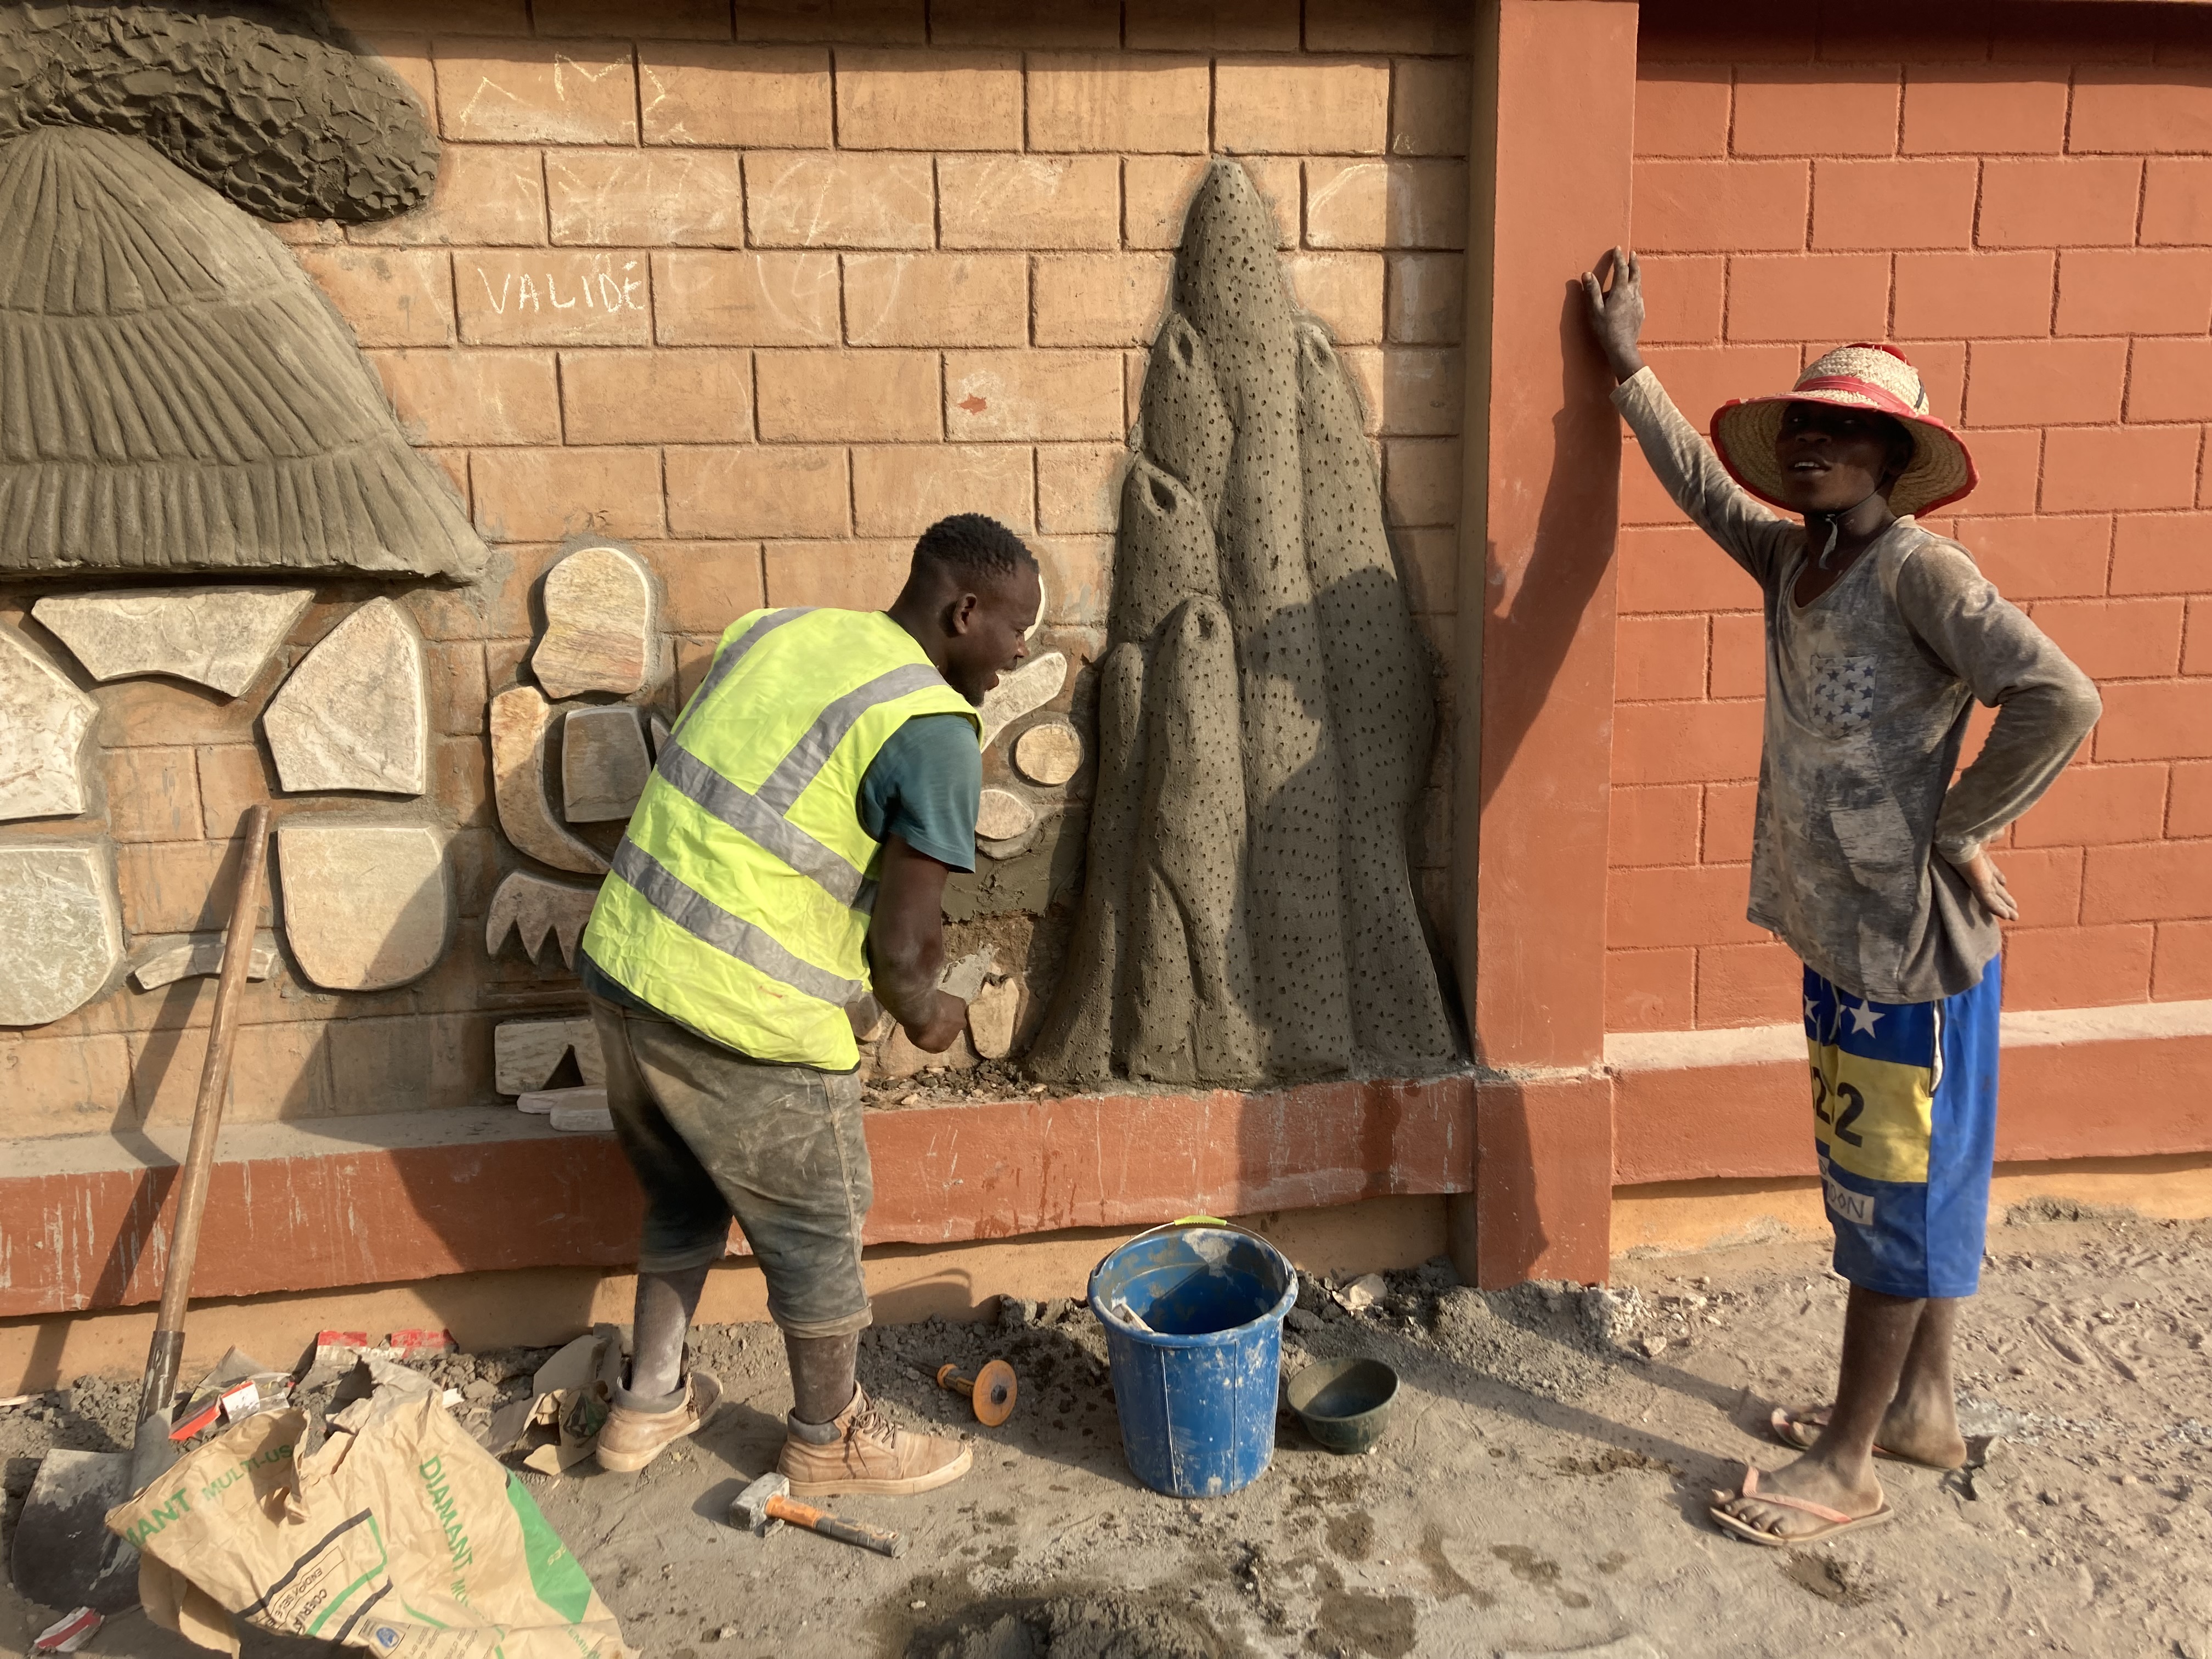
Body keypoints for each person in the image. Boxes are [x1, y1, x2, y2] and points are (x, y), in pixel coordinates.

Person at [1580, 249, 2101, 1545]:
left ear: (1893, 459)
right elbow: (1704, 489)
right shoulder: (1796, 559)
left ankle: (1851, 1463)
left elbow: (2061, 696)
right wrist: (1630, 371)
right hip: (1845, 939)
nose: (1814, 445)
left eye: (1845, 432)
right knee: (1913, 1187)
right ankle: (1922, 1409)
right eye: (1803, 427)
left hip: (1905, 959)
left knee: (1885, 1207)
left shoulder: (1922, 571)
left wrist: (1960, 827)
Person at [573, 513, 1041, 1494]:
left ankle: (647, 1403)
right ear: (966, 612)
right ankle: (830, 1438)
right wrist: (930, 1016)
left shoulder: (777, 631)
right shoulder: (934, 729)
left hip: (627, 970)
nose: (1017, 657)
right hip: (744, 1014)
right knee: (819, 1227)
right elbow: (904, 952)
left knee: (685, 1195)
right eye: (1016, 630)